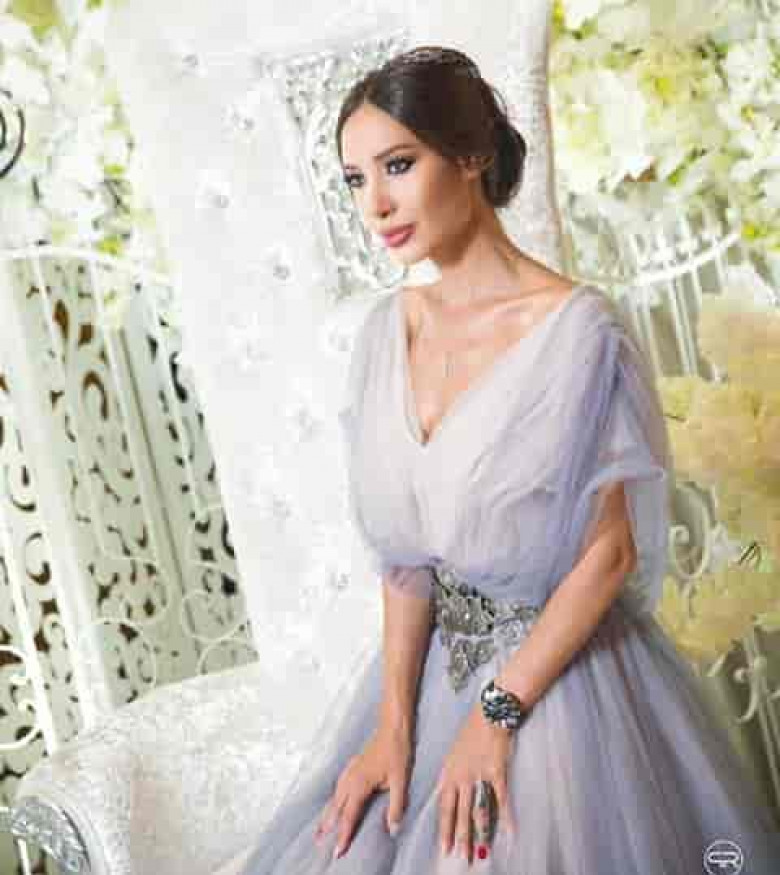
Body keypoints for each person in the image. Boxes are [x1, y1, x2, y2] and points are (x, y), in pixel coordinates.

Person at [235, 46, 780, 873]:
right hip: (430, 682)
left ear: (471, 155)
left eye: (398, 165)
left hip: (561, 688)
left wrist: (496, 715)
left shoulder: (579, 332)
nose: (375, 204)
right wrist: (393, 727)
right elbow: (407, 565)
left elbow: (609, 554)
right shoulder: (385, 334)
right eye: (354, 179)